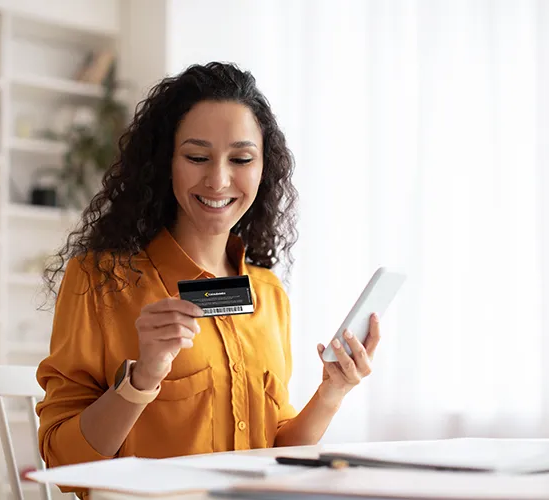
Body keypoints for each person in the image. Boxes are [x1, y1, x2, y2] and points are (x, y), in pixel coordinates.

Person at [36, 62, 380, 498]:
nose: (218, 180)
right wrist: (142, 378)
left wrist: (333, 391)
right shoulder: (101, 281)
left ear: (262, 168)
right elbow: (64, 464)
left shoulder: (269, 294)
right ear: (166, 163)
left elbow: (274, 457)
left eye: (240, 159)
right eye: (197, 157)